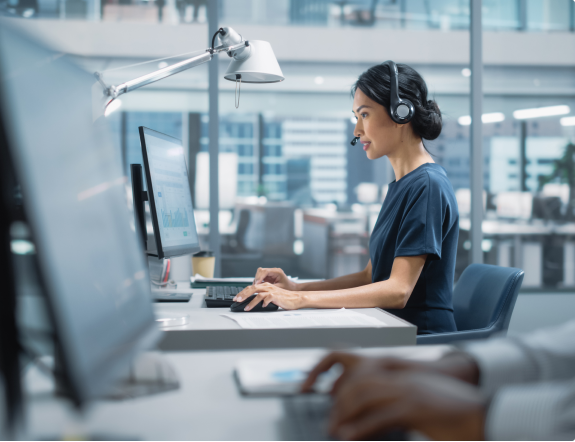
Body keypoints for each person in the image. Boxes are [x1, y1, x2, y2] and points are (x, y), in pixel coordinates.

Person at [234, 62, 459, 335]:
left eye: (364, 115)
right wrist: (295, 288)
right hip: (390, 329)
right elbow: (369, 277)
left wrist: (301, 301)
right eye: (356, 117)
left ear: (402, 114)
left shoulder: (428, 186)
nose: (356, 131)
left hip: (420, 340)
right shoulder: (403, 186)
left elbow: (398, 290)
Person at [301, 320, 575, 441]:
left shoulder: (426, 198)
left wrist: (485, 418)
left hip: (423, 326)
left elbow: (398, 290)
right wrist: (460, 368)